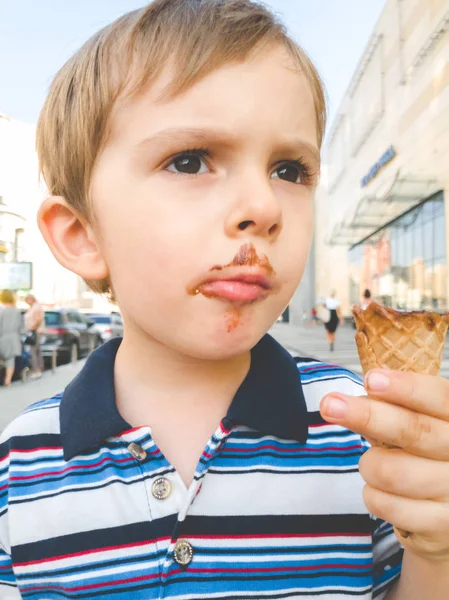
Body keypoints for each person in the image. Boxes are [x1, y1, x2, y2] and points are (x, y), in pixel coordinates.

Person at [1, 2, 448, 598]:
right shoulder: (19, 467)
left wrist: (436, 549)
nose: (263, 208)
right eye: (190, 161)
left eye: (289, 170)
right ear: (83, 234)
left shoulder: (365, 432)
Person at [0, 290, 22, 387]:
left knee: (2, 358)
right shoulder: (17, 311)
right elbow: (21, 327)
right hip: (14, 338)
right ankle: (7, 381)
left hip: (2, 337)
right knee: (10, 360)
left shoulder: (1, 311)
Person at [24, 293, 44, 379]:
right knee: (37, 351)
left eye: (27, 301)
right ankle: (39, 369)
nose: (27, 302)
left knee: (33, 352)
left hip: (35, 332)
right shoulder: (36, 307)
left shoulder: (36, 307)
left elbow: (38, 320)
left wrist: (32, 329)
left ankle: (37, 370)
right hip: (36, 331)